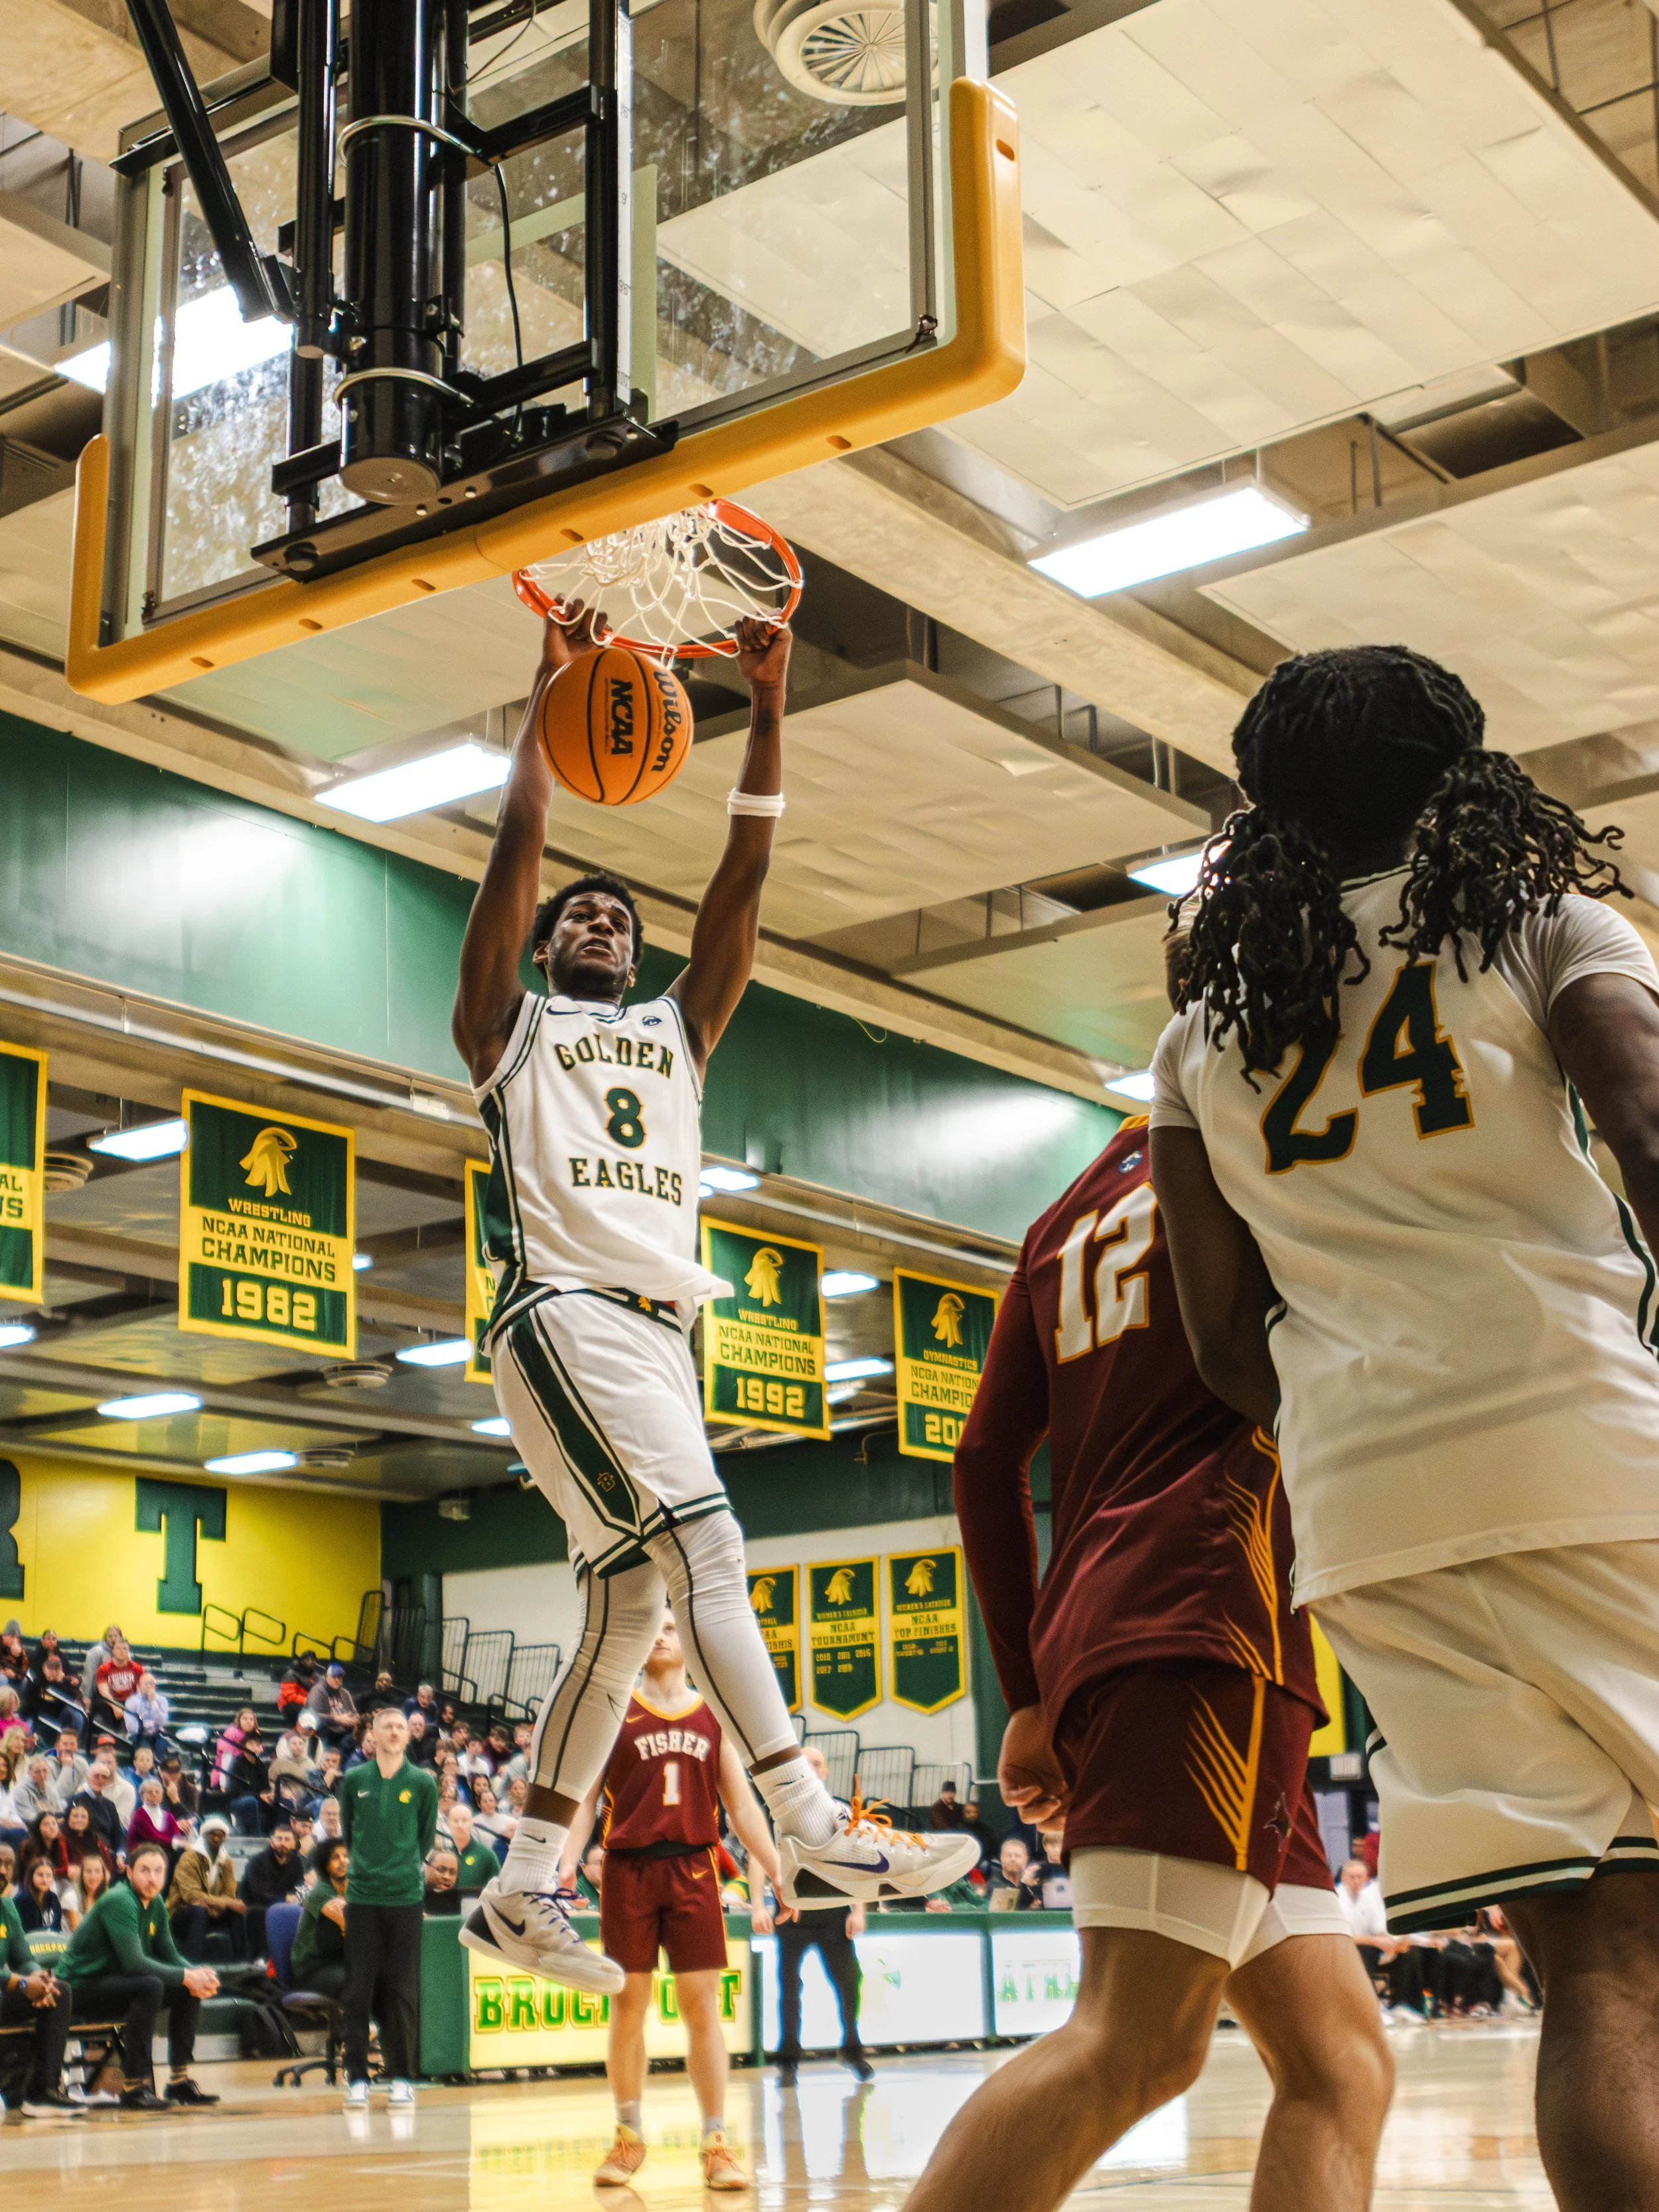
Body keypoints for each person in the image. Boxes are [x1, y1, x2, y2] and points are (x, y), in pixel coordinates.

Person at [1149, 643, 1659, 2208]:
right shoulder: (1543, 924)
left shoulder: (1195, 1044)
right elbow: (1647, 1126)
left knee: (1594, 1972)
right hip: (1587, 1435)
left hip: (1372, 1503)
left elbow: (1220, 1340)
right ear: (1463, 772)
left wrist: (1359, 1411)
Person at [451, 609, 976, 1994]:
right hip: (567, 1306)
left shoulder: (681, 1029)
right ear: (550, 943)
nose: (599, 919)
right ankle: (805, 1816)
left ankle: (516, 1886)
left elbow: (744, 876)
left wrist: (772, 695)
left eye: (616, 915)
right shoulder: (507, 1029)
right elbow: (514, 858)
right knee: (713, 1555)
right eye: (579, 912)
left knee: (628, 1608)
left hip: (655, 1332)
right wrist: (547, 699)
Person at [906, 1097, 1390, 2212]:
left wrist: (1027, 1694)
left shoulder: (1066, 1208)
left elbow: (982, 1457)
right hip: (1207, 1621)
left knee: (1341, 2063)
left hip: (1112, 1630)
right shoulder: (1266, 1140)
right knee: (1136, 2041)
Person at [557, 1609, 793, 2191]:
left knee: (701, 2006)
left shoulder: (714, 1715)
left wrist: (775, 1868)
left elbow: (740, 1807)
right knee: (628, 2003)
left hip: (694, 1866)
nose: (661, 1634)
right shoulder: (613, 1710)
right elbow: (585, 1801)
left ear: (688, 1641)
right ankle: (628, 2135)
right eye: (652, 1628)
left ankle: (716, 2141)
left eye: (670, 1626)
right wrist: (565, 1865)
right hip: (627, 1869)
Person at [62, 1839, 220, 2108]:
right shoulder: (120, 1900)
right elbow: (135, 1963)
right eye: (145, 1870)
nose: (153, 1878)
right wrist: (186, 1975)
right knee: (150, 1986)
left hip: (115, 1984)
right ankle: (135, 2087)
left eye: (159, 1871)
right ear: (129, 1872)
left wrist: (195, 1974)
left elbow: (170, 1955)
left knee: (186, 1987)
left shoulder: (156, 1901)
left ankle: (179, 2082)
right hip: (79, 1988)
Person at [338, 1704, 437, 2110]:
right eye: (387, 1727)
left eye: (401, 1727)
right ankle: (357, 2078)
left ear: (409, 1735)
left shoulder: (423, 1783)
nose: (395, 1732)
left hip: (405, 1899)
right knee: (358, 1991)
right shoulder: (355, 1779)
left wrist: (402, 1869)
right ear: (372, 1735)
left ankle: (402, 2077)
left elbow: (426, 1840)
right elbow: (349, 1832)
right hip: (361, 1898)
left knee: (402, 1990)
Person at [772, 1742, 869, 2089]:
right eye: (806, 1763)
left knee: (848, 1981)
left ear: (825, 1772)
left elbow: (857, 1864)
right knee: (789, 1985)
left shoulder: (840, 1811)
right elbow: (766, 1859)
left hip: (833, 1910)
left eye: (817, 1763)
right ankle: (788, 2058)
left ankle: (852, 2047)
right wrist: (761, 1902)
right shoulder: (781, 1809)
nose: (812, 1768)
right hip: (795, 1911)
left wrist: (858, 1910)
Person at [1, 1867, 78, 2116]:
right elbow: (15, 1978)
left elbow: (23, 1957)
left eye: (5, 1866)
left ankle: (43, 2091)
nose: (2, 1869)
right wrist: (22, 1984)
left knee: (59, 1991)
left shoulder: (6, 1907)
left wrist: (38, 1977)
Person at [1335, 1859, 1427, 2020]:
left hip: (1371, 1946)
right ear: (1343, 1878)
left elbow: (1380, 1930)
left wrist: (1394, 1944)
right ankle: (1372, 2009)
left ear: (1366, 1878)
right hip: (1346, 1949)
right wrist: (1377, 1942)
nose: (1356, 1881)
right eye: (1352, 1877)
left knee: (1409, 1953)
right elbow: (1342, 1935)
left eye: (1359, 1877)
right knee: (1365, 1952)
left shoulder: (1368, 1897)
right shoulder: (1337, 1897)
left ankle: (1403, 2005)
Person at [168, 1815, 246, 1961]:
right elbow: (192, 1896)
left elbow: (229, 1892)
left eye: (221, 1836)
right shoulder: (189, 1858)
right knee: (200, 1910)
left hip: (211, 1911)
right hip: (181, 1912)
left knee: (236, 1912)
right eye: (213, 1835)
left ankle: (241, 1962)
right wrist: (225, 1903)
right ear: (204, 1836)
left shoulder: (227, 1861)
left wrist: (215, 1904)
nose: (217, 1839)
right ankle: (191, 1963)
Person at [292, 1840, 349, 1997]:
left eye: (346, 1856)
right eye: (335, 1858)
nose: (343, 1861)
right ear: (325, 1865)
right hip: (312, 1969)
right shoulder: (321, 1892)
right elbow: (351, 1921)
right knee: (357, 1981)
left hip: (339, 1962)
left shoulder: (353, 1889)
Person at [240, 1822, 303, 1958]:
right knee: (266, 1912)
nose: (283, 1843)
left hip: (285, 1905)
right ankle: (262, 1958)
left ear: (294, 1843)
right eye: (279, 1839)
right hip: (255, 1905)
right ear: (272, 1841)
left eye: (287, 1839)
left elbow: (300, 1886)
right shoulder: (257, 1861)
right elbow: (258, 1892)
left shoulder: (296, 1862)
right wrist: (285, 1898)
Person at [23, 1653, 85, 1744]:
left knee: (77, 1714)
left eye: (56, 1669)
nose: (53, 1672)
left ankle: (74, 1742)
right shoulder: (38, 1682)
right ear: (44, 1669)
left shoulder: (66, 1683)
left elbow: (73, 1701)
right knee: (27, 1727)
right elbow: (30, 1703)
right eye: (50, 1669)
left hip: (58, 1715)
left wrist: (60, 1683)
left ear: (60, 1670)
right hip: (38, 1715)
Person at [73, 1761, 126, 1866]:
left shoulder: (110, 1805)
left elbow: (118, 1834)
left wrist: (121, 1855)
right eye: (96, 1776)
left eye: (104, 1777)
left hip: (108, 1855)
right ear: (88, 1778)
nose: (100, 1780)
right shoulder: (75, 1802)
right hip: (86, 1856)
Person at [90, 1639, 142, 1738]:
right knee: (102, 1708)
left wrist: (129, 1708)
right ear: (113, 1651)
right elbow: (104, 1692)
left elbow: (140, 1692)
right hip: (110, 1701)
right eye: (118, 1648)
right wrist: (115, 1707)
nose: (122, 1651)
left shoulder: (137, 1669)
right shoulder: (103, 1669)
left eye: (125, 1649)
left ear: (128, 1651)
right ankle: (107, 1740)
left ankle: (132, 1738)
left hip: (129, 1701)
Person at [305, 1662, 359, 1754]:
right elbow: (312, 1716)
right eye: (334, 1677)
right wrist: (337, 1719)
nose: (338, 1680)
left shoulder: (345, 1693)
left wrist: (355, 1719)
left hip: (344, 1733)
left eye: (340, 1677)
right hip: (324, 1733)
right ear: (327, 1677)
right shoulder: (318, 1691)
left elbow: (354, 1713)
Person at [125, 1777, 183, 1861]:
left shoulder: (169, 1816)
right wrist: (177, 1843)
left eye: (157, 1792)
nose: (154, 1794)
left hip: (165, 1856)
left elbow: (177, 1837)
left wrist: (180, 1843)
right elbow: (154, 1838)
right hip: (142, 1857)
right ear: (142, 1795)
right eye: (150, 1792)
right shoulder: (138, 1816)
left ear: (162, 1795)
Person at [446, 1803, 498, 1894]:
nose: (460, 1825)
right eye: (455, 1821)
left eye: (464, 1820)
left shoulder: (486, 1855)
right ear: (448, 1824)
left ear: (472, 1823)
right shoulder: (444, 1854)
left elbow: (497, 1890)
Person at [123, 1673, 170, 1760]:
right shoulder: (131, 1701)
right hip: (138, 1735)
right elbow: (131, 1726)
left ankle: (159, 1768)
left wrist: (153, 1703)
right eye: (146, 1683)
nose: (149, 1686)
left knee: (164, 1744)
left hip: (157, 1734)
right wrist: (150, 1725)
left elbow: (163, 1722)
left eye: (151, 1684)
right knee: (145, 1752)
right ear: (139, 1686)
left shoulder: (162, 1700)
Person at [17, 1856, 64, 1933]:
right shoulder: (21, 1900)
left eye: (49, 1876)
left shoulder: (53, 1898)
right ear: (31, 1876)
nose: (45, 1880)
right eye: (40, 1875)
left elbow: (58, 1929)